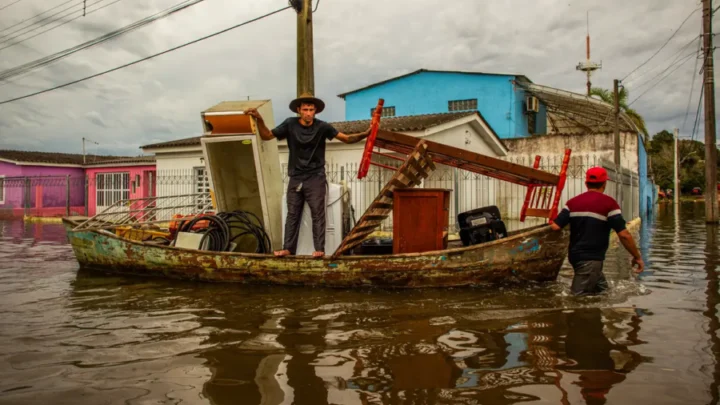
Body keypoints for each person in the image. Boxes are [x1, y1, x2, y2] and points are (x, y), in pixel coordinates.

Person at [245, 93, 372, 258]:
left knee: (318, 213)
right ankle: (288, 249)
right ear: (299, 110)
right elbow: (267, 136)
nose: (308, 113)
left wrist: (365, 134)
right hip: (296, 177)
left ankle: (319, 249)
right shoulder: (290, 124)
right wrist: (259, 119)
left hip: (316, 176)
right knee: (292, 214)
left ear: (316, 111)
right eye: (305, 109)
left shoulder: (322, 127)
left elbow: (346, 139)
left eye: (311, 110)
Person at [550, 167, 645, 295]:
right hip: (590, 260)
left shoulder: (572, 203)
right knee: (578, 300)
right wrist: (637, 256)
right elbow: (624, 235)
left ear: (586, 183)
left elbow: (555, 226)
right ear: (605, 183)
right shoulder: (609, 204)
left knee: (604, 293)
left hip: (575, 257)